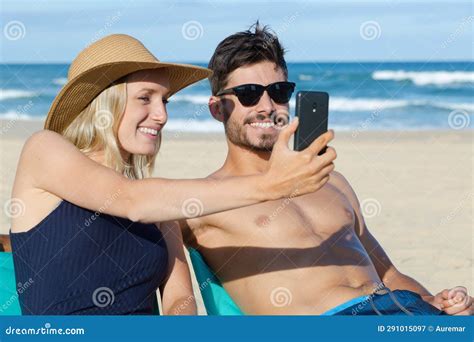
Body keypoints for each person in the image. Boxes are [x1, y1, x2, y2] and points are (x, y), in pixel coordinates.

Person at [8, 34, 336, 315]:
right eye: (145, 99)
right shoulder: (44, 150)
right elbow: (129, 201)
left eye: (164, 100)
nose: (162, 115)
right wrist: (271, 184)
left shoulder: (159, 205)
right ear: (103, 103)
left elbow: (180, 298)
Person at [179, 23, 473, 315]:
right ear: (217, 109)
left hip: (400, 311)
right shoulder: (205, 202)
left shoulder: (331, 181)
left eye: (279, 91)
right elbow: (136, 213)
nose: (267, 105)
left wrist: (439, 302)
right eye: (248, 94)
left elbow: (389, 276)